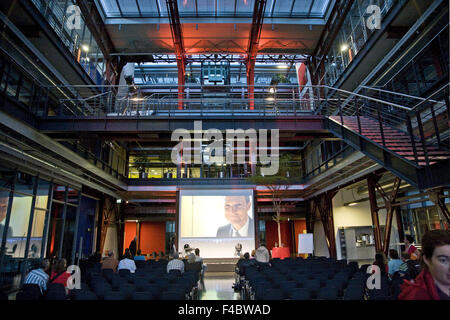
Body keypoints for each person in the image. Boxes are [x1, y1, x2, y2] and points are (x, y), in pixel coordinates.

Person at [399, 230, 450, 300]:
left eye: (405, 239)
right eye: (443, 260)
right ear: (427, 259)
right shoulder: (417, 294)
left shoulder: (412, 247)